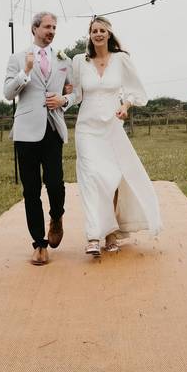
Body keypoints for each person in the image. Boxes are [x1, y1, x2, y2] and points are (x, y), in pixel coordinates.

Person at [69, 16, 161, 257]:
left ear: (109, 34)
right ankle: (92, 235)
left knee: (111, 178)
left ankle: (110, 234)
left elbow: (136, 90)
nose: (98, 34)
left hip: (111, 127)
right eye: (94, 31)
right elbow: (75, 94)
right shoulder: (80, 61)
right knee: (91, 178)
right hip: (87, 128)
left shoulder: (121, 60)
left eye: (102, 30)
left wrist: (126, 106)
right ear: (89, 35)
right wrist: (62, 97)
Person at [3, 11, 76, 266]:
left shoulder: (63, 59)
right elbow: (7, 93)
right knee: (31, 190)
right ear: (34, 29)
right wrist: (26, 71)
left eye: (54, 27)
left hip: (53, 128)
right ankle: (39, 244)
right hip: (25, 132)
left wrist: (64, 100)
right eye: (47, 26)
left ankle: (57, 216)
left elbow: (75, 91)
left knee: (55, 183)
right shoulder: (18, 58)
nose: (52, 31)